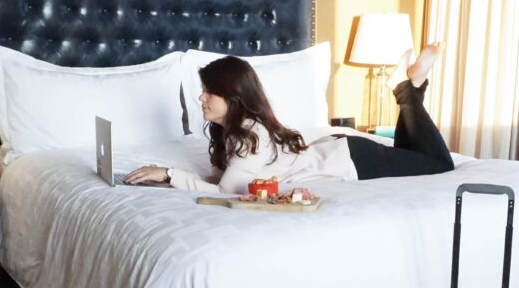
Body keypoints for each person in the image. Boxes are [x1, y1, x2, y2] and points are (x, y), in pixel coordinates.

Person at [122, 44, 454, 193]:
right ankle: (410, 87)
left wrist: (169, 173)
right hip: (340, 152)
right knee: (415, 156)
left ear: (233, 97)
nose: (201, 98)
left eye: (210, 92)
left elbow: (227, 192)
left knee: (439, 164)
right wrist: (168, 177)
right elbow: (233, 180)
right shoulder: (237, 130)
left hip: (353, 161)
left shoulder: (251, 135)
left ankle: (406, 89)